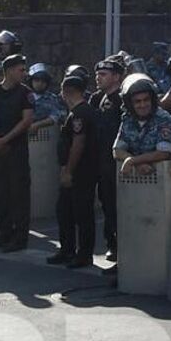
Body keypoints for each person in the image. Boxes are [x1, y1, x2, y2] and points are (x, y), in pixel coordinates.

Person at [0, 54, 37, 251]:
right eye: (21, 70)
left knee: (19, 195)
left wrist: (5, 140)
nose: (24, 73)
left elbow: (27, 120)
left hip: (16, 150)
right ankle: (3, 234)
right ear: (9, 70)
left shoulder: (25, 93)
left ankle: (19, 238)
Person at [50, 71, 101, 267]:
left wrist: (68, 171)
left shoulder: (80, 114)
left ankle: (83, 254)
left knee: (82, 214)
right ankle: (67, 250)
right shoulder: (77, 113)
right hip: (76, 170)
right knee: (65, 211)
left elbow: (78, 144)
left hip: (81, 172)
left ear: (67, 91)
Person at [91, 57, 127, 257]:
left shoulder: (122, 100)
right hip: (102, 161)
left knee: (117, 206)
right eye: (97, 74)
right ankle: (112, 243)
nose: (98, 78)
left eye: (103, 75)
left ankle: (119, 248)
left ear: (116, 77)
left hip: (117, 162)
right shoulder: (99, 98)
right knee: (107, 204)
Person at [114, 74, 171, 174]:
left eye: (146, 100)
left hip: (165, 179)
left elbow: (163, 153)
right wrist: (135, 162)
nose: (142, 105)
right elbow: (117, 150)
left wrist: (133, 161)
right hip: (137, 181)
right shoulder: (128, 120)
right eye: (137, 101)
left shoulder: (164, 119)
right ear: (130, 104)